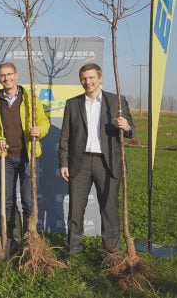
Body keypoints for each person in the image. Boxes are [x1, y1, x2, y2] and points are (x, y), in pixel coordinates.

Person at [59, 63, 134, 256]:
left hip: (107, 162)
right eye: (84, 78)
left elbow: (130, 131)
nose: (88, 81)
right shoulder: (72, 103)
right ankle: (74, 249)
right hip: (80, 163)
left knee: (109, 208)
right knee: (76, 209)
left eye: (91, 77)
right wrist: (63, 162)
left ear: (100, 78)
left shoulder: (116, 101)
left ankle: (111, 251)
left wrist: (126, 126)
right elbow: (65, 137)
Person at [0, 62, 49, 250]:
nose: (6, 78)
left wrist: (40, 130)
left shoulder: (31, 98)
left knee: (29, 200)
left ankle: (31, 241)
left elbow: (44, 122)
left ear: (16, 75)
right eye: (2, 75)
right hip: (5, 157)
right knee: (7, 201)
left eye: (9, 74)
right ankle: (13, 240)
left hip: (28, 156)